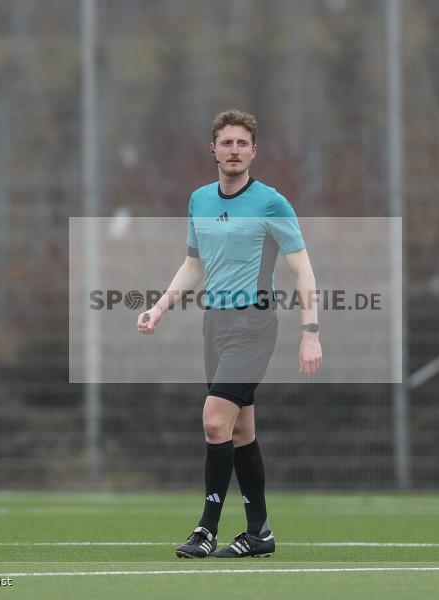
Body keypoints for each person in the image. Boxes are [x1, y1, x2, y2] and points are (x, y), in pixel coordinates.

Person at [138, 110, 322, 558]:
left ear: (254, 151)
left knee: (214, 420)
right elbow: (194, 265)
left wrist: (311, 331)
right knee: (240, 431)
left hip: (255, 324)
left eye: (242, 143)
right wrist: (159, 307)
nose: (234, 151)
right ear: (213, 149)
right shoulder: (199, 200)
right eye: (227, 143)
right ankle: (259, 532)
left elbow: (303, 269)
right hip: (214, 326)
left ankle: (206, 529)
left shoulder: (272, 203)